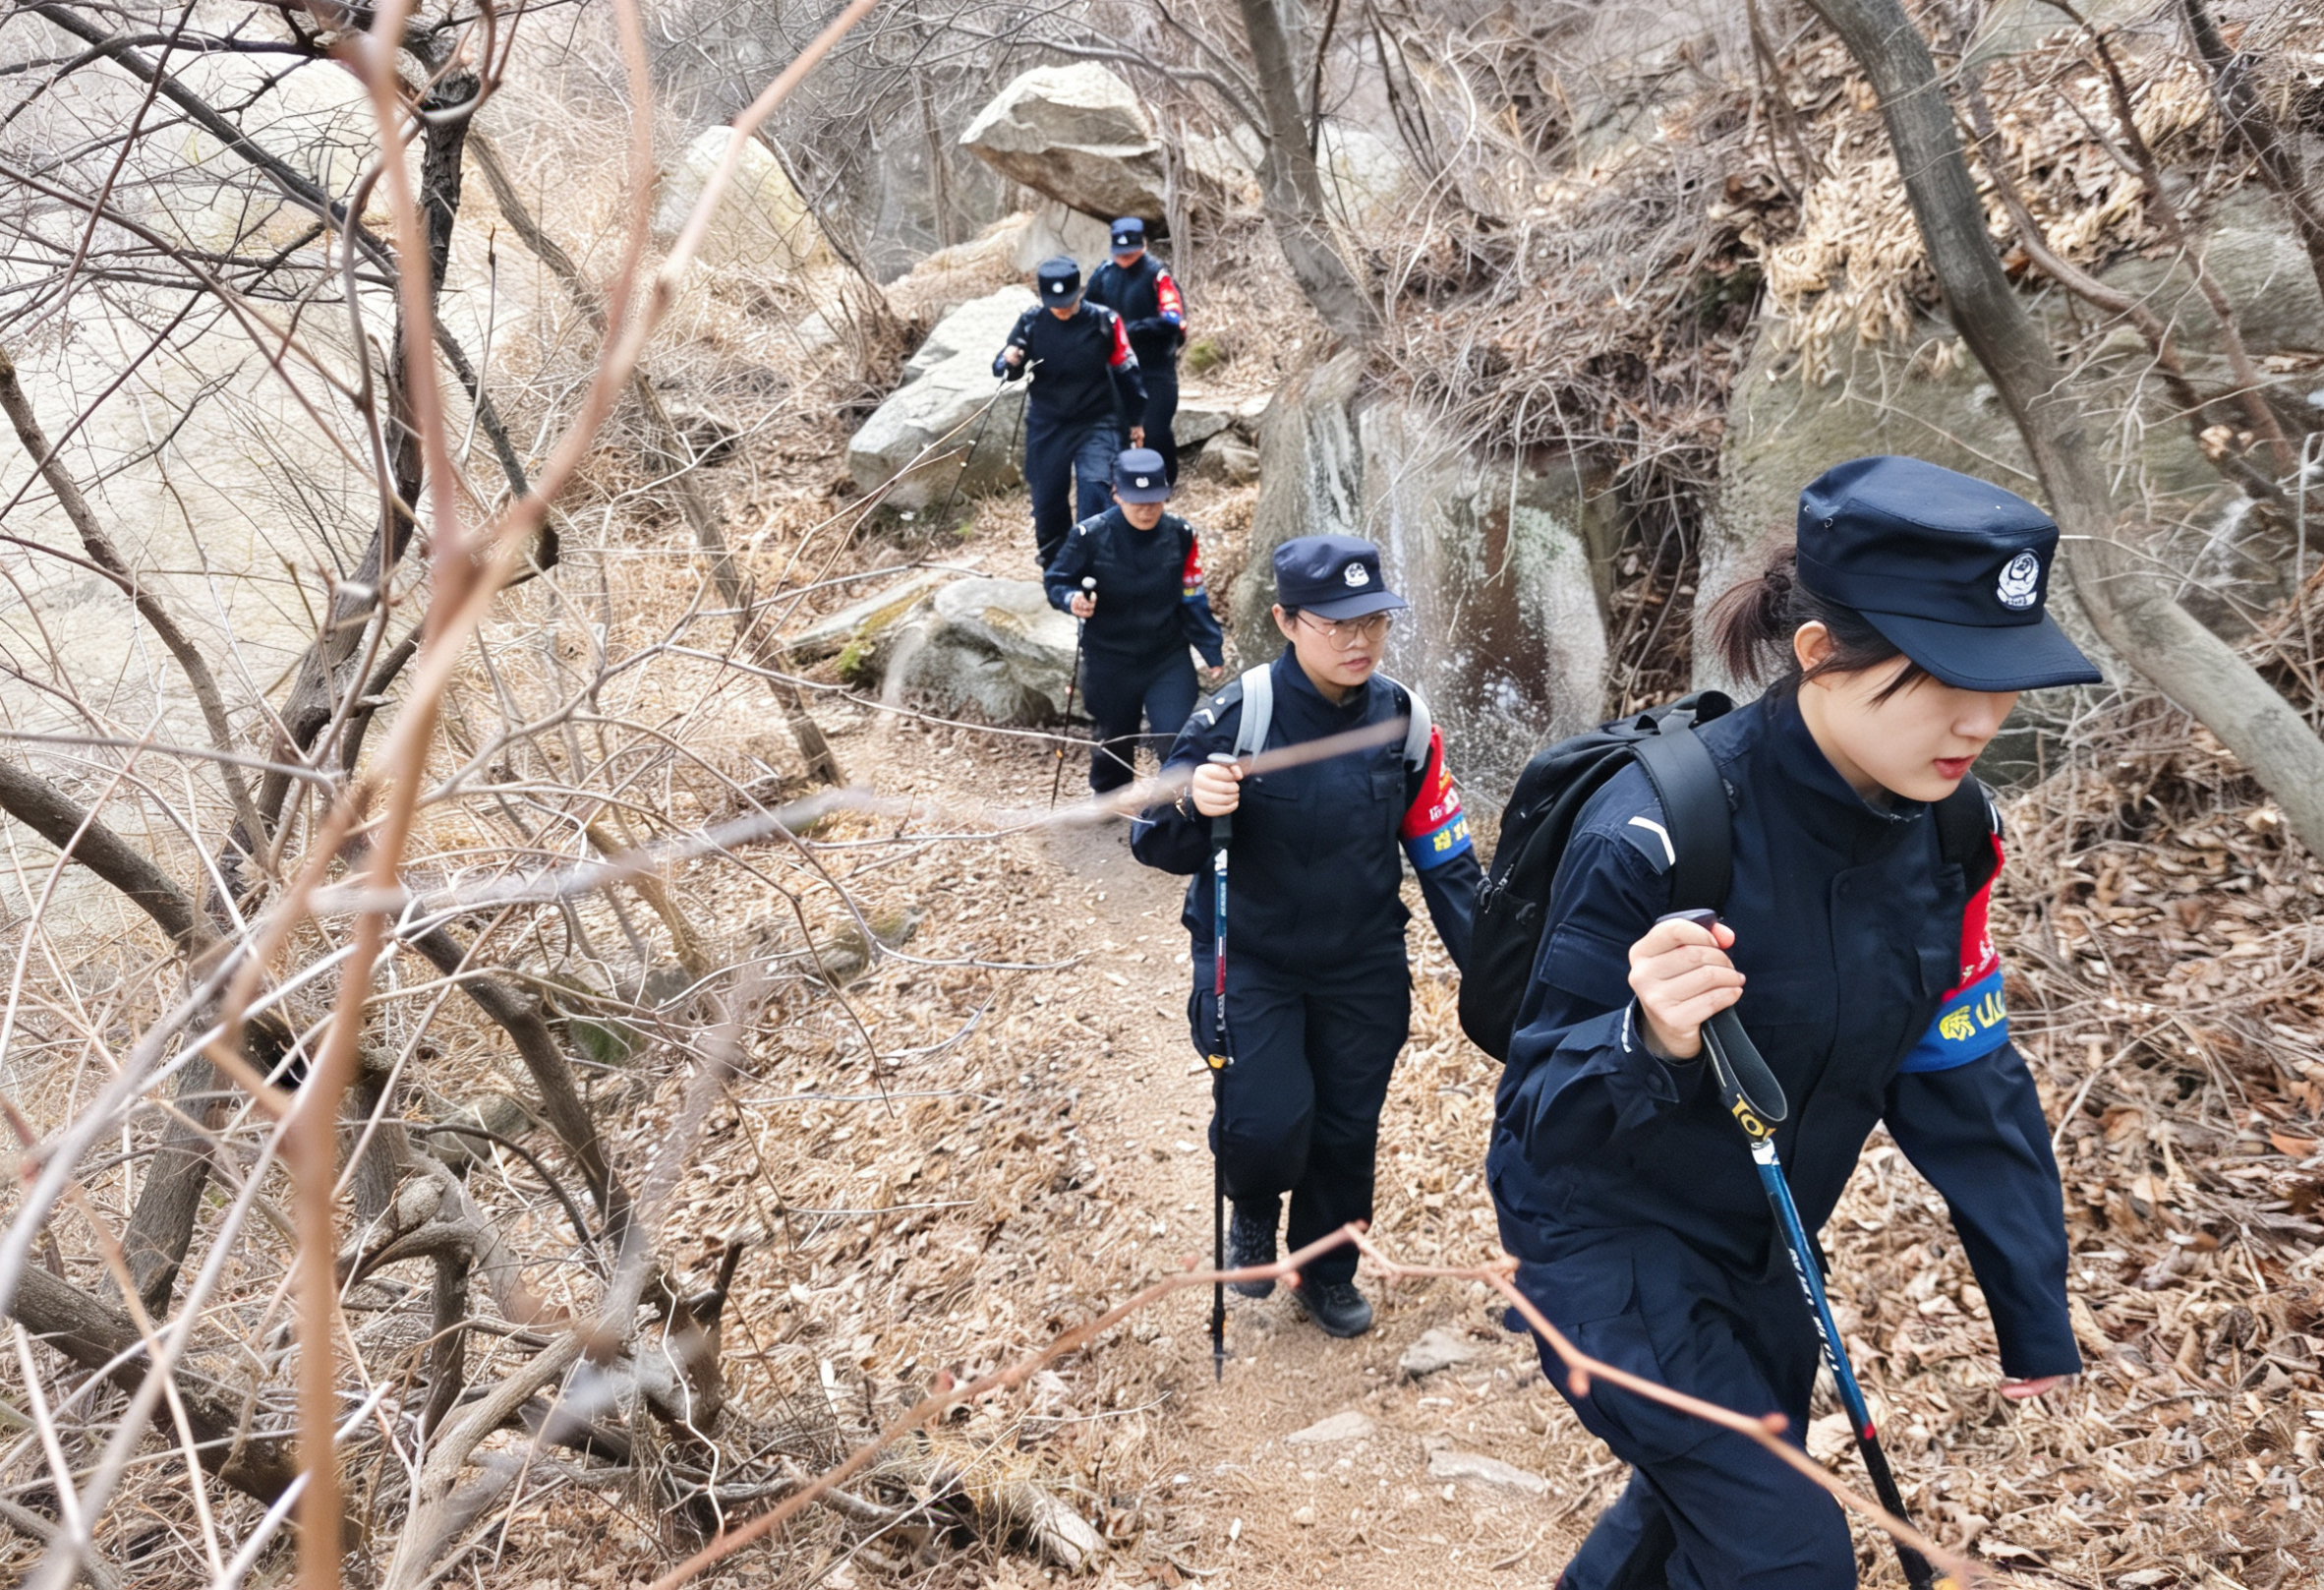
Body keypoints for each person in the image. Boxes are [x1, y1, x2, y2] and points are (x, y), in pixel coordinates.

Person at [1487, 455, 2097, 1589]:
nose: (1983, 720)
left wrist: (2032, 1316)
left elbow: (1963, 1074)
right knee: (1789, 1555)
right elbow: (1534, 1111)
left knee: (1695, 1511)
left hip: (1768, 1242)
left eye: (2005, 680)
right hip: (1601, 1245)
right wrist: (1645, 1037)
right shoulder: (1659, 830)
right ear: (1820, 656)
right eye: (1945, 679)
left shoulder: (1948, 833)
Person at [1133, 536, 1480, 1337]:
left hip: (1361, 960)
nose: (1360, 640)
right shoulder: (1237, 716)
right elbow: (1154, 840)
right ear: (1288, 620)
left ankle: (1326, 1270)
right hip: (1252, 956)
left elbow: (1449, 864)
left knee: (1348, 1127)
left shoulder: (1404, 722)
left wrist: (1503, 977)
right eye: (1337, 623)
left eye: (1374, 621)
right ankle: (1252, 1202)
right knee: (1265, 1118)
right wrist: (1196, 804)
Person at [1044, 447, 1225, 795]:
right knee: (1114, 738)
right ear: (1115, 494)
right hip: (1109, 658)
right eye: (1136, 500)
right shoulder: (1090, 536)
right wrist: (1073, 600)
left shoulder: (1181, 534)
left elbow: (1192, 594)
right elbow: (1057, 581)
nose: (1146, 509)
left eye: (1155, 500)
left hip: (1166, 654)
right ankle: (1109, 798)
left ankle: (1176, 805)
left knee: (1177, 735)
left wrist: (1210, 647)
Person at [995, 256, 1147, 566]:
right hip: (1048, 422)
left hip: (1098, 419)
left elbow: (1127, 370)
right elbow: (1006, 368)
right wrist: (1008, 361)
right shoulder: (1031, 322)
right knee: (1047, 495)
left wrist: (1136, 419)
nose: (1062, 308)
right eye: (1055, 302)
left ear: (1079, 292)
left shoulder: (1105, 321)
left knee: (1097, 486)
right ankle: (1055, 560)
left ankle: (1093, 557)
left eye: (1067, 300)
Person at [1083, 217, 1187, 483]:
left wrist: (1132, 329)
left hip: (1155, 368)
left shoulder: (1157, 275)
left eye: (1129, 253)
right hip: (1117, 369)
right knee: (1118, 430)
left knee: (1155, 430)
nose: (1124, 259)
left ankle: (1165, 481)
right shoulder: (1104, 273)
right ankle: (1127, 486)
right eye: (1119, 253)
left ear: (1142, 246)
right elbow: (1087, 312)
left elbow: (1173, 319)